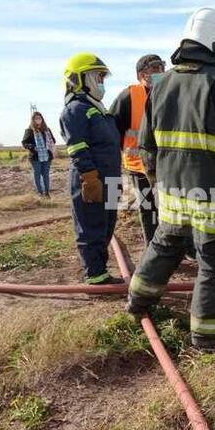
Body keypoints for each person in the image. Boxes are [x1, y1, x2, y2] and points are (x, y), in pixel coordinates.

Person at [125, 8, 215, 350]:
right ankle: (206, 336)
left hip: (171, 195)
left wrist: (159, 182)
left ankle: (137, 303)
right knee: (214, 264)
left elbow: (146, 145)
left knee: (163, 247)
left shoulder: (162, 84)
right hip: (214, 199)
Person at [59, 52, 124, 285]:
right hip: (93, 178)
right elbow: (77, 147)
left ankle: (100, 270)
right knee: (91, 226)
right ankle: (95, 274)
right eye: (97, 77)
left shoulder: (99, 110)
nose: (101, 83)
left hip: (111, 178)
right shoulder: (75, 110)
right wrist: (89, 178)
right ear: (79, 79)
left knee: (107, 224)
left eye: (102, 79)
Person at [110, 54, 166, 245]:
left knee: (172, 208)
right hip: (139, 166)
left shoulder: (170, 93)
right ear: (142, 74)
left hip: (166, 164)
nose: (160, 72)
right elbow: (112, 130)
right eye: (155, 69)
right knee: (148, 207)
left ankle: (181, 248)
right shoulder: (128, 97)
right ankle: (153, 247)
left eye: (161, 68)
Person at [21, 111, 56, 197]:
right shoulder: (29, 131)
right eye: (36, 118)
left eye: (39, 118)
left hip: (47, 156)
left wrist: (49, 144)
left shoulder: (47, 130)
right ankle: (40, 193)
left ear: (42, 119)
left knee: (46, 174)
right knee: (37, 173)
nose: (38, 120)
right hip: (35, 156)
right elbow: (24, 143)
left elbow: (53, 140)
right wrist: (33, 147)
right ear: (33, 120)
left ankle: (47, 193)